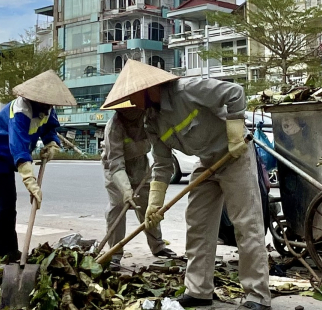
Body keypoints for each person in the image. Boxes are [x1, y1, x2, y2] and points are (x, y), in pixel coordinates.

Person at [103, 61, 270, 310]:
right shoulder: (151, 121)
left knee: (246, 225)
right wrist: (154, 204)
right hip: (207, 163)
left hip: (234, 156)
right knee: (197, 224)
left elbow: (235, 93)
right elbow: (161, 164)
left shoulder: (188, 89)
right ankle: (199, 290)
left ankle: (257, 295)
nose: (132, 103)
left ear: (147, 88)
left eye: (133, 95)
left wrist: (235, 131)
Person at [0, 70, 76, 262]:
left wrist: (51, 143)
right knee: (3, 207)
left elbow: (49, 128)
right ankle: (0, 256)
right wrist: (29, 180)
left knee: (9, 207)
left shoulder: (47, 109)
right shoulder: (20, 111)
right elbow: (18, 146)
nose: (49, 105)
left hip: (8, 156)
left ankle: (11, 252)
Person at [101, 101, 178, 269]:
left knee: (147, 205)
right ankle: (115, 252)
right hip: (116, 170)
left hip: (140, 166)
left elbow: (161, 142)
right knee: (118, 206)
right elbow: (116, 163)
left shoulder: (148, 119)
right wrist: (126, 190)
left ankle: (158, 246)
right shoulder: (114, 127)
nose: (127, 113)